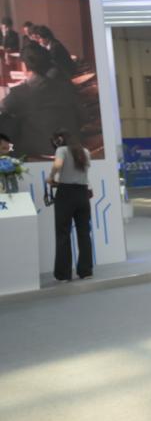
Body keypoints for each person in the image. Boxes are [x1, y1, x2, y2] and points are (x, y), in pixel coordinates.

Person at [0, 44, 80, 158]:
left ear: (24, 65)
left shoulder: (21, 92)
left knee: (6, 122)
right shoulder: (66, 84)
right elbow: (83, 116)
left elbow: (3, 107)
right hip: (72, 143)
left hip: (41, 149)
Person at [46, 129, 93, 282]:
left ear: (60, 139)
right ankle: (86, 271)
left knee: (63, 234)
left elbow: (58, 164)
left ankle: (63, 274)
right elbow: (84, 174)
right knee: (84, 233)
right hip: (82, 194)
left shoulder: (62, 150)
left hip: (65, 194)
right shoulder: (85, 151)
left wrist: (51, 177)